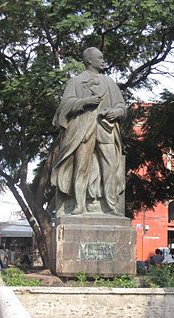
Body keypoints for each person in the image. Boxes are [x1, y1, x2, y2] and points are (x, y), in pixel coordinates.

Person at [51, 47, 126, 216]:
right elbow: (64, 106)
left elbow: (122, 106)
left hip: (106, 129)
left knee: (110, 168)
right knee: (81, 168)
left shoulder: (109, 82)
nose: (103, 60)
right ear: (89, 60)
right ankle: (79, 205)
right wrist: (85, 102)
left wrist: (117, 112)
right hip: (83, 130)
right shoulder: (76, 82)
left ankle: (110, 206)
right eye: (99, 57)